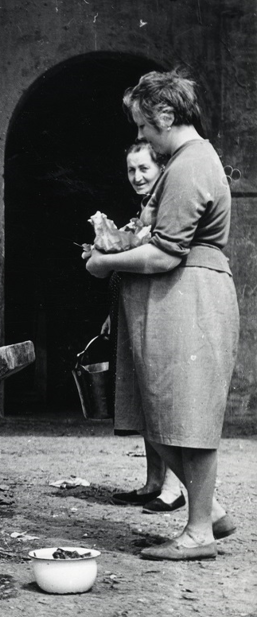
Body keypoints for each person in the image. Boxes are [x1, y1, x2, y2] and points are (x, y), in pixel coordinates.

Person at [84, 70, 238, 560]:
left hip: (189, 296)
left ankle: (197, 533)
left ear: (166, 116)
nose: (141, 137)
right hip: (175, 297)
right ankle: (208, 512)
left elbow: (168, 252)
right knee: (163, 413)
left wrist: (106, 261)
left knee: (186, 414)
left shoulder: (192, 165)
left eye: (144, 127)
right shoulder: (184, 163)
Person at [106, 141, 186, 514]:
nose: (137, 177)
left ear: (161, 169)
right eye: (131, 170)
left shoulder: (170, 204)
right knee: (144, 396)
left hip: (167, 307)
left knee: (163, 400)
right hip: (138, 305)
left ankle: (173, 487)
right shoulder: (145, 207)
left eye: (144, 169)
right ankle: (154, 481)